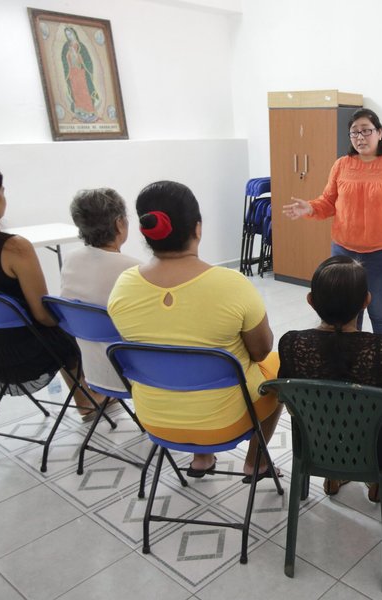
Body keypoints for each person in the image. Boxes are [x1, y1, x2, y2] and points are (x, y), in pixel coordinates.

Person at [108, 180, 282, 479]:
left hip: (153, 420)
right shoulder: (232, 285)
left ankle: (201, 457)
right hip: (226, 421)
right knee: (281, 365)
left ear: (145, 232)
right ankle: (257, 463)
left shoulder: (123, 287)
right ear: (197, 229)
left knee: (175, 357)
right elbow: (261, 350)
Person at [283, 108, 382, 336]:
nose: (360, 137)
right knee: (348, 315)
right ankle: (353, 364)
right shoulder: (341, 165)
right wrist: (310, 207)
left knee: (380, 313)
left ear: (380, 132)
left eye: (366, 131)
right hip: (344, 252)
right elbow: (328, 202)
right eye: (354, 132)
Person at [0, 160, 96, 417]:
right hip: (26, 353)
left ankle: (87, 398)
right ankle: (87, 400)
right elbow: (42, 315)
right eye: (2, 191)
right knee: (72, 328)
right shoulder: (14, 248)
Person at [278, 255, 382, 501]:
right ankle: (377, 480)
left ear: (311, 301)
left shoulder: (291, 343)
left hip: (316, 443)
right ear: (366, 301)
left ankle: (333, 474)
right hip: (377, 450)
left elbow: (288, 402)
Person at [60, 188, 141, 394]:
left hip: (93, 373)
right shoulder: (133, 270)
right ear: (119, 223)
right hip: (135, 374)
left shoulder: (70, 259)